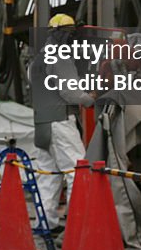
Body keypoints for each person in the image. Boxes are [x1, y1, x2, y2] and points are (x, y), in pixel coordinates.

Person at [27, 13, 94, 232]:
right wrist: (90, 98)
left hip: (42, 124)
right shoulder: (60, 57)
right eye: (70, 33)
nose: (71, 38)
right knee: (77, 170)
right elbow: (69, 91)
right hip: (61, 121)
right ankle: (77, 224)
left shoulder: (38, 60)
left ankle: (45, 223)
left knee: (49, 176)